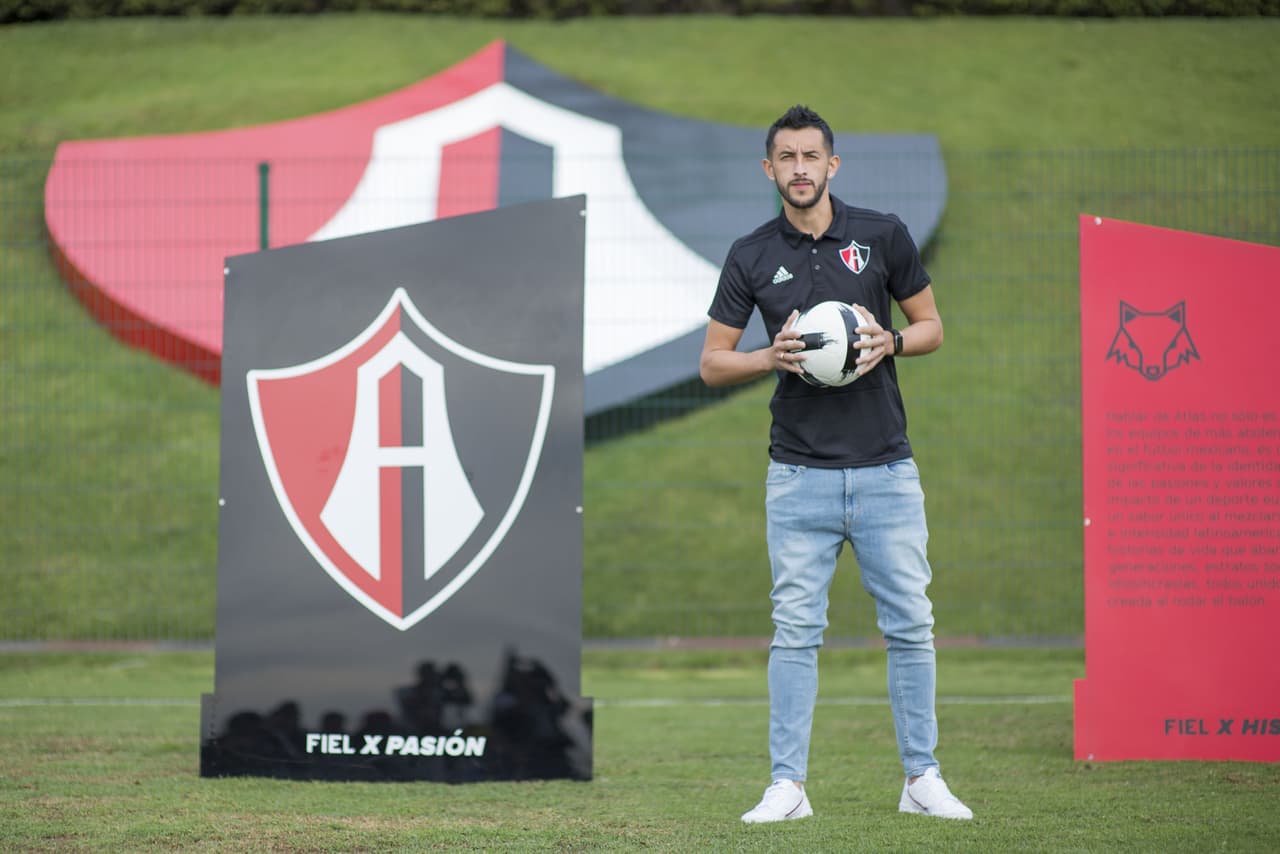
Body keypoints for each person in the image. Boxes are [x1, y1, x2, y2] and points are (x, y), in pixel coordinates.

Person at [699, 104, 973, 823]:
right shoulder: (751, 254)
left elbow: (933, 325)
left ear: (832, 165)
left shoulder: (883, 235)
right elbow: (711, 362)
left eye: (810, 156)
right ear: (770, 169)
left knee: (912, 625)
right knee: (795, 632)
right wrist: (768, 356)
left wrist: (894, 344)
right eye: (785, 157)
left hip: (886, 470)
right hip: (797, 476)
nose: (799, 169)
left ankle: (922, 778)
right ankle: (788, 786)